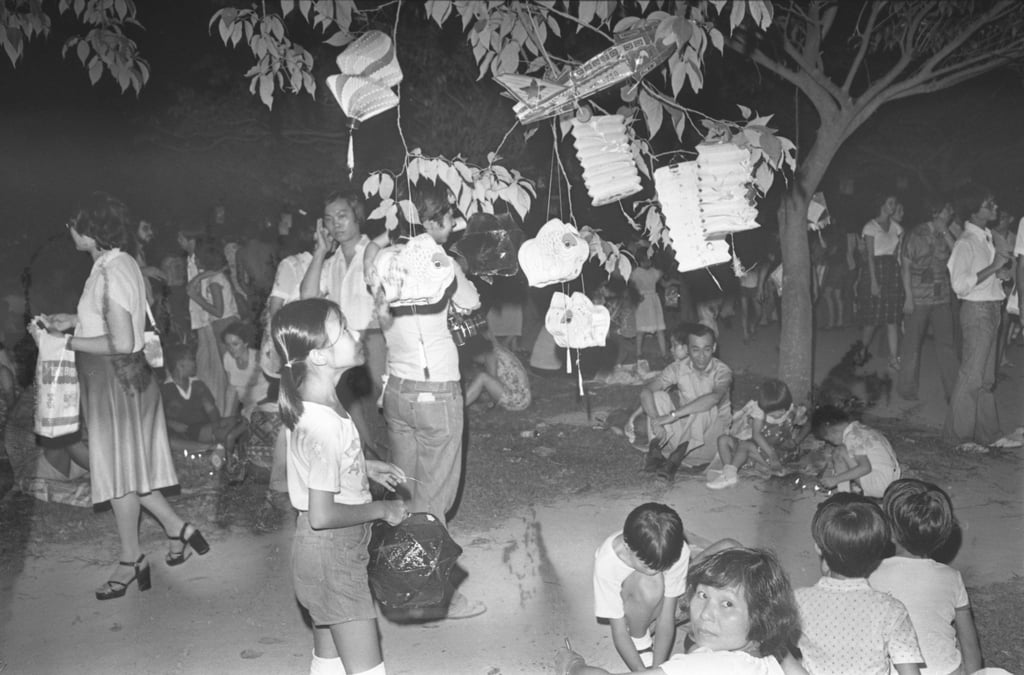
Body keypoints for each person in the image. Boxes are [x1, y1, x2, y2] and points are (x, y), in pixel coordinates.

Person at [35, 192, 209, 600]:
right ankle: (175, 530)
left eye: (75, 224)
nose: (70, 230)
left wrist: (63, 340)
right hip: (129, 383)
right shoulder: (120, 262)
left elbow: (123, 340)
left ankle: (134, 559)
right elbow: (113, 316)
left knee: (117, 476)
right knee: (128, 473)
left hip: (116, 385)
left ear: (91, 231)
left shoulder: (109, 272)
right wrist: (73, 320)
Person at [272, 297, 408, 675]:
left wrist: (362, 467)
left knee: (328, 661)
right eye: (343, 330)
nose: (354, 333)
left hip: (317, 553)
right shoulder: (327, 424)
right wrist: (383, 509)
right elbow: (323, 514)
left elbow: (314, 465)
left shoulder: (312, 404)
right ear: (318, 357)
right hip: (334, 553)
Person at [370, 186, 485, 619]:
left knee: (406, 494)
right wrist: (460, 269)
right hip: (436, 389)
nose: (453, 226)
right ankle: (436, 598)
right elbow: (471, 303)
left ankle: (395, 579)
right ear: (434, 222)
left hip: (397, 390)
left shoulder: (384, 261)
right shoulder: (444, 264)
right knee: (434, 503)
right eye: (450, 219)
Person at [562, 546, 805, 675]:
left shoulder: (712, 665)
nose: (705, 613)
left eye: (727, 604)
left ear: (761, 617)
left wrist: (572, 666)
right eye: (702, 595)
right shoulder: (769, 661)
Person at [591, 503, 740, 671]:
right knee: (651, 581)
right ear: (627, 546)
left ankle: (706, 627)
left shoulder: (677, 551)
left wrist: (658, 668)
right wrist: (644, 673)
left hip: (670, 601)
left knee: (730, 547)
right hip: (635, 613)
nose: (656, 570)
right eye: (648, 565)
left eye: (664, 565)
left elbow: (666, 617)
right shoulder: (607, 563)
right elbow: (619, 633)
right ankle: (640, 638)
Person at [795, 494, 923, 674]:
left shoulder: (798, 601)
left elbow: (773, 649)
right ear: (879, 553)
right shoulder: (891, 609)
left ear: (818, 547)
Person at [869, 479, 983, 675]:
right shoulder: (952, 577)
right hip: (946, 671)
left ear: (890, 531)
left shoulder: (870, 574)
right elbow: (970, 646)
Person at [301, 192, 385, 404]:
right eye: (329, 219)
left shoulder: (377, 251)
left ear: (357, 215)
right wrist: (320, 251)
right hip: (343, 344)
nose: (335, 224)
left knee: (385, 407)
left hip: (376, 338)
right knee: (353, 410)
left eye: (341, 215)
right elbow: (308, 297)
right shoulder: (331, 263)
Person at [944, 186, 1009, 448]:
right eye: (988, 203)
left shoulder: (988, 239)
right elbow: (959, 286)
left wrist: (999, 275)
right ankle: (958, 438)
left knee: (986, 380)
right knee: (971, 377)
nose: (994, 207)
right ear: (974, 211)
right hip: (977, 311)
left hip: (993, 308)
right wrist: (993, 267)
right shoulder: (965, 243)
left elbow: (985, 276)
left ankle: (988, 435)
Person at [639, 324, 732, 482]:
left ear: (714, 348)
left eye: (707, 349)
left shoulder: (722, 371)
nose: (701, 356)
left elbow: (714, 398)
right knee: (659, 396)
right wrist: (656, 420)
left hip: (708, 444)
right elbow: (646, 392)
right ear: (687, 349)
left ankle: (675, 459)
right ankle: (655, 450)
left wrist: (672, 416)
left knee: (705, 407)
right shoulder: (678, 368)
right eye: (695, 349)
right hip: (682, 437)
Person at [898, 197, 958, 401]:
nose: (951, 213)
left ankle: (953, 392)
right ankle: (907, 389)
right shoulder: (916, 234)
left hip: (941, 297)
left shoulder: (947, 234)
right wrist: (908, 297)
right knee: (912, 345)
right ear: (937, 212)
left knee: (946, 345)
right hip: (918, 297)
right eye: (948, 209)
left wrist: (945, 232)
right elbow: (905, 266)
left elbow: (959, 256)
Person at [161, 343, 248, 481]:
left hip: (201, 428)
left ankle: (221, 459)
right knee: (225, 432)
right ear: (180, 364)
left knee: (240, 421)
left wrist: (216, 426)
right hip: (184, 432)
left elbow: (212, 410)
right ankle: (221, 461)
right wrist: (171, 423)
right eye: (191, 359)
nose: (195, 363)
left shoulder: (197, 385)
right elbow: (158, 418)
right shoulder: (165, 390)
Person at [707, 379, 807, 490]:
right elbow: (756, 435)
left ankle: (730, 474)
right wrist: (771, 454)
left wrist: (797, 441)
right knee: (723, 440)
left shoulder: (793, 411)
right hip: (763, 450)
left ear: (787, 404)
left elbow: (810, 423)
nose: (779, 414)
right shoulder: (759, 412)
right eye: (772, 413)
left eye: (781, 410)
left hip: (779, 455)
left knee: (745, 446)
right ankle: (729, 471)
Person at [186, 236, 240, 416]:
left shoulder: (215, 281)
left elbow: (218, 311)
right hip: (222, 326)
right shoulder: (215, 276)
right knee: (227, 371)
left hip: (225, 325)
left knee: (230, 372)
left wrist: (197, 298)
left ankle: (229, 415)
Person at [811, 405, 900, 499]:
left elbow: (865, 467)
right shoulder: (861, 428)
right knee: (848, 453)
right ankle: (849, 492)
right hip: (894, 483)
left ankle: (843, 497)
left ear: (831, 431)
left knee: (839, 452)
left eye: (829, 440)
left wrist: (835, 479)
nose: (831, 443)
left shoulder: (852, 437)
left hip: (881, 486)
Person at [858, 194, 905, 371]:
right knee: (872, 318)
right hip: (875, 271)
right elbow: (870, 256)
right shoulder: (870, 227)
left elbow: (897, 254)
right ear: (882, 204)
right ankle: (861, 350)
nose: (893, 206)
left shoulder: (897, 228)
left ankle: (893, 359)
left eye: (894, 203)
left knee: (892, 317)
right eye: (890, 203)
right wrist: (873, 282)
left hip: (892, 271)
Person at [461, 331, 531, 412]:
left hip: (517, 401)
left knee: (482, 377)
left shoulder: (490, 355)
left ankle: (459, 406)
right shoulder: (497, 350)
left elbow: (493, 383)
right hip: (522, 397)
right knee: (477, 385)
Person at [221, 320, 270, 420]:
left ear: (246, 343)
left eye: (235, 344)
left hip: (266, 407)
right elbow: (231, 389)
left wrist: (256, 406)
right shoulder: (227, 358)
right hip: (247, 409)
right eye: (227, 345)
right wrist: (226, 417)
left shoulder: (258, 358)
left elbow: (276, 389)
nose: (231, 349)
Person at [630, 253, 667, 361]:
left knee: (659, 328)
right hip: (642, 301)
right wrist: (636, 296)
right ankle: (638, 353)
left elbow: (663, 282)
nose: (648, 262)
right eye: (645, 260)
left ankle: (664, 353)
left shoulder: (654, 272)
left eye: (649, 260)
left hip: (653, 300)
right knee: (640, 328)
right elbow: (631, 288)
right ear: (640, 262)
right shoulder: (636, 273)